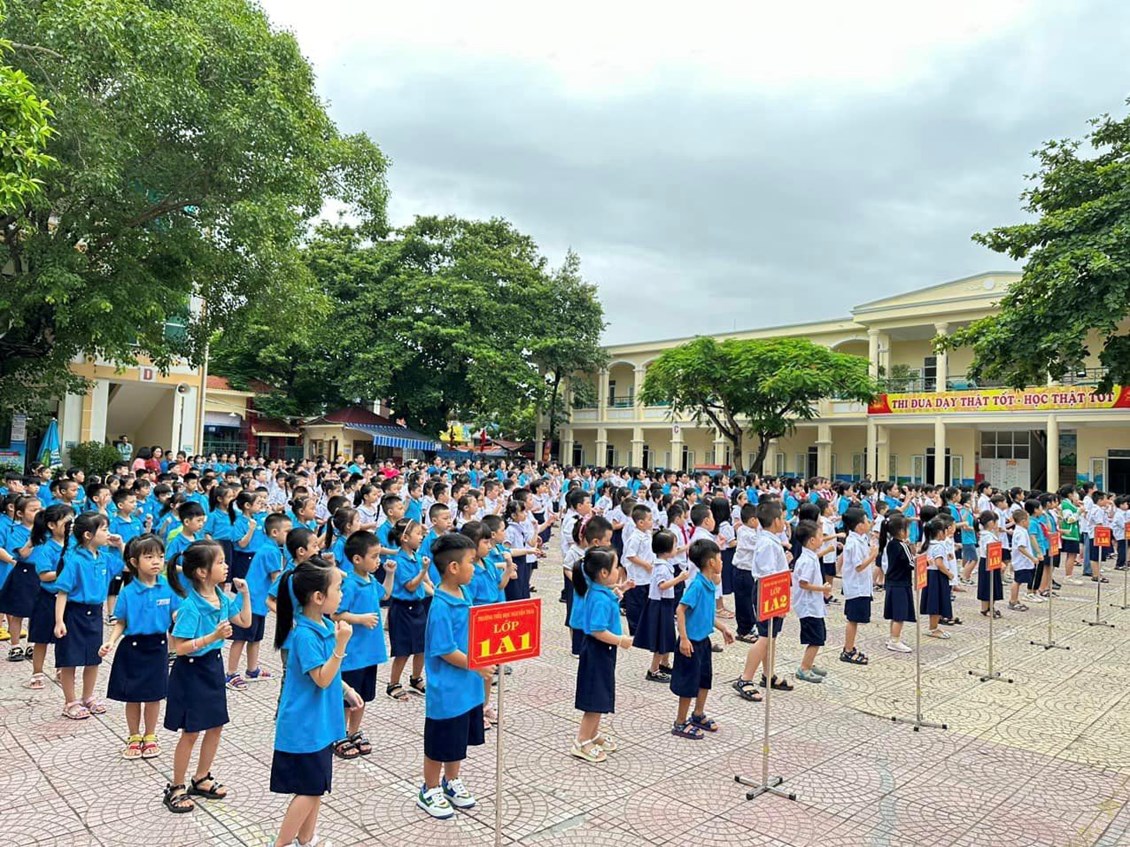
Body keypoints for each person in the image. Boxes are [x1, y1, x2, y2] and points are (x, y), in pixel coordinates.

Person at [271, 559, 362, 847]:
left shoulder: (323, 624)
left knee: (316, 787)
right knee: (310, 790)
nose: (342, 594)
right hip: (305, 727)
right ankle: (281, 843)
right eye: (338, 588)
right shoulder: (304, 635)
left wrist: (346, 689)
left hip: (320, 724)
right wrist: (341, 645)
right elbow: (321, 678)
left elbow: (327, 675)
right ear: (318, 597)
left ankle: (306, 839)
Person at [162, 540, 251, 814]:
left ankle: (201, 777)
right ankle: (176, 787)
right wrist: (213, 637)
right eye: (220, 562)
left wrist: (245, 594)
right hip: (191, 671)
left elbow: (245, 621)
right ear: (202, 572)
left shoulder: (221, 597)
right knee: (191, 732)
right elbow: (179, 647)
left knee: (215, 725)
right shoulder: (191, 607)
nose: (226, 566)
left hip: (213, 667)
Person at [417, 532, 484, 819]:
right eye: (471, 561)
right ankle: (429, 788)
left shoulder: (464, 593)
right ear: (453, 567)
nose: (475, 567)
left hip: (467, 687)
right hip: (448, 690)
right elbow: (445, 650)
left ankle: (451, 781)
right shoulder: (441, 606)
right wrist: (476, 664)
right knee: (439, 744)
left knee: (457, 741)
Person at [101, 534, 181, 759]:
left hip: (158, 647)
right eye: (149, 557)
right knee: (133, 696)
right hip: (132, 648)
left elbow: (176, 613)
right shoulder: (127, 592)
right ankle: (134, 736)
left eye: (160, 556)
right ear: (134, 562)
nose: (157, 562)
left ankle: (151, 735)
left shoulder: (167, 587)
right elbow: (121, 622)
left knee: (154, 695)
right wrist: (110, 641)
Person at [53, 512, 126, 719]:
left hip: (94, 614)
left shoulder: (104, 558)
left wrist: (120, 545)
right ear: (88, 535)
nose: (108, 533)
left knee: (94, 658)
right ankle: (70, 702)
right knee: (69, 660)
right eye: (104, 529)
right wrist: (59, 621)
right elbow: (63, 592)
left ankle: (88, 697)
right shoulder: (74, 560)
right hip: (74, 614)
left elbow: (128, 565)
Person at [334, 530, 395, 758]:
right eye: (374, 556)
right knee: (346, 698)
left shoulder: (370, 581)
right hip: (353, 653)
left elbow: (385, 594)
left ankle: (354, 731)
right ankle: (339, 733)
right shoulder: (350, 584)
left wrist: (390, 574)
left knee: (363, 696)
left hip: (371, 652)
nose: (378, 560)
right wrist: (360, 619)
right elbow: (336, 614)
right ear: (357, 559)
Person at [571, 547, 632, 764]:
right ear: (604, 573)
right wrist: (621, 640)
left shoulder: (601, 591)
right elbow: (598, 630)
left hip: (603, 651)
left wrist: (619, 591)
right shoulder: (598, 597)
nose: (619, 570)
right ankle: (582, 741)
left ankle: (593, 734)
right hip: (597, 651)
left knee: (601, 694)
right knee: (595, 699)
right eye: (616, 567)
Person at [670, 537, 734, 738]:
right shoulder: (697, 586)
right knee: (688, 684)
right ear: (711, 562)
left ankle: (698, 714)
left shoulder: (709, 584)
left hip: (703, 642)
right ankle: (680, 722)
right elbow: (680, 610)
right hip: (690, 643)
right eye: (720, 559)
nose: (722, 562)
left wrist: (723, 628)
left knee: (704, 679)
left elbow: (706, 613)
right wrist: (683, 638)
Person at [731, 501, 791, 702]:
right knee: (765, 637)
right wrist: (775, 602)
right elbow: (767, 574)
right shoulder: (767, 543)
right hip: (769, 591)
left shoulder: (770, 540)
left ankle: (768, 674)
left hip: (775, 590)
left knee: (771, 636)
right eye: (782, 518)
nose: (784, 522)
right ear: (775, 521)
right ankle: (745, 679)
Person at [25, 504, 74, 689]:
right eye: (66, 522)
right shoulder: (45, 548)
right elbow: (44, 575)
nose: (70, 525)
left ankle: (61, 668)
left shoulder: (73, 546)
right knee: (42, 638)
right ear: (52, 525)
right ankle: (37, 672)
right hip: (48, 598)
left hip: (67, 598)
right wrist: (64, 573)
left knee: (64, 636)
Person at [633, 528, 689, 683]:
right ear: (666, 549)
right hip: (660, 605)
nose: (676, 548)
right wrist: (679, 578)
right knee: (661, 637)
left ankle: (664, 663)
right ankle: (653, 669)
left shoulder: (663, 564)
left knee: (667, 635)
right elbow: (662, 585)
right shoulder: (662, 567)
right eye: (674, 545)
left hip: (665, 604)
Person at [386, 518, 430, 701]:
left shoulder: (417, 557)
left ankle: (416, 678)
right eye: (418, 534)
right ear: (405, 538)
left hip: (418, 607)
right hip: (402, 609)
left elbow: (426, 582)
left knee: (422, 646)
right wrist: (423, 570)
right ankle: (393, 684)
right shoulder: (399, 560)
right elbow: (410, 586)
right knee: (403, 650)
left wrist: (436, 592)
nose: (421, 537)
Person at [0, 494, 42, 661]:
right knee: (17, 612)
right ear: (20, 513)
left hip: (38, 572)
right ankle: (15, 646)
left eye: (39, 509)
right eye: (33, 510)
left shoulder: (44, 531)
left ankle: (31, 645)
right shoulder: (15, 530)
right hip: (22, 572)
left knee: (35, 611)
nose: (38, 513)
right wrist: (32, 540)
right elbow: (22, 554)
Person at [792, 520, 831, 683]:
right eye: (821, 536)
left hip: (814, 605)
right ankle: (804, 668)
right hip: (808, 607)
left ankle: (810, 663)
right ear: (812, 540)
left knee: (819, 636)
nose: (823, 539)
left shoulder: (811, 556)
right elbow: (803, 583)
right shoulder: (806, 560)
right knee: (816, 638)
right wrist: (822, 589)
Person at [840, 507, 876, 666]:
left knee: (855, 619)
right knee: (852, 619)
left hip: (862, 586)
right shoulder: (853, 543)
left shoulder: (861, 538)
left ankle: (851, 646)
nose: (869, 523)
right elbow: (859, 566)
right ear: (859, 525)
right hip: (856, 587)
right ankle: (847, 650)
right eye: (867, 521)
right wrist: (873, 555)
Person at [880, 514, 915, 653]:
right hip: (901, 583)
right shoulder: (902, 545)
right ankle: (895, 641)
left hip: (892, 582)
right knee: (900, 614)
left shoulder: (891, 544)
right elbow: (911, 563)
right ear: (901, 531)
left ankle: (892, 638)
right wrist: (923, 562)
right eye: (908, 528)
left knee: (895, 613)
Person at [621, 504, 655, 635]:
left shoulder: (647, 534)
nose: (652, 521)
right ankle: (635, 632)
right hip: (637, 578)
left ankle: (644, 630)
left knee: (645, 604)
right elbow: (630, 555)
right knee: (635, 606)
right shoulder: (635, 537)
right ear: (640, 522)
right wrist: (645, 564)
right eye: (649, 519)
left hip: (647, 577)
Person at [731, 503, 760, 644]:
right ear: (752, 520)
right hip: (742, 572)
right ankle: (744, 630)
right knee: (744, 601)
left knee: (748, 600)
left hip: (748, 572)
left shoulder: (747, 530)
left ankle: (749, 626)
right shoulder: (746, 533)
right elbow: (759, 544)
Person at [921, 519, 955, 638]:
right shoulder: (939, 546)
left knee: (934, 601)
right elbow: (939, 564)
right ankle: (933, 628)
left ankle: (934, 626)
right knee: (936, 602)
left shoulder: (929, 544)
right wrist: (949, 574)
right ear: (940, 532)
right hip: (937, 576)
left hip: (930, 575)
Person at [1008, 508, 1038, 612]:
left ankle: (1015, 600)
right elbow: (1021, 547)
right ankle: (1013, 601)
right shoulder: (1020, 532)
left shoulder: (1022, 531)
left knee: (1019, 581)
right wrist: (1032, 558)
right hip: (1021, 562)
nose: (1029, 522)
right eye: (1028, 520)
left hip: (1022, 562)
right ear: (1023, 521)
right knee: (1017, 581)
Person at [977, 510, 1003, 620]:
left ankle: (990, 607)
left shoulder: (989, 534)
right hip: (988, 562)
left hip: (992, 562)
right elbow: (988, 550)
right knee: (987, 585)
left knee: (993, 584)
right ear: (991, 522)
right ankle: (985, 608)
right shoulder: (987, 536)